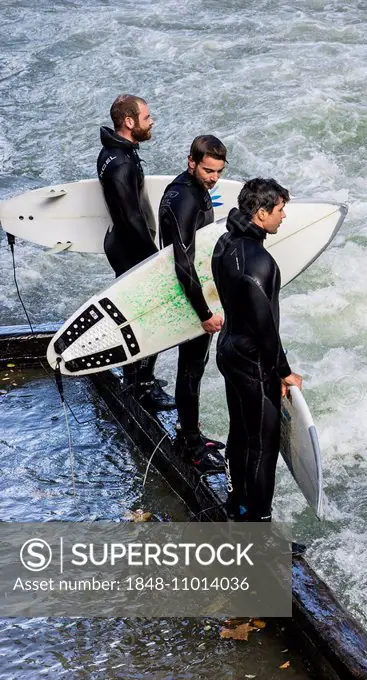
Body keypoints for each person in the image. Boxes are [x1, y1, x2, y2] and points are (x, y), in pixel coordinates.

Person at [212, 178, 302, 523]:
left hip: (228, 352)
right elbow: (265, 327)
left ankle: (236, 504)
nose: (283, 217)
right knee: (264, 444)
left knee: (239, 432)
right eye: (280, 210)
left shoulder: (225, 242)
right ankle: (259, 528)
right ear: (261, 213)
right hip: (253, 361)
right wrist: (283, 371)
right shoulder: (260, 261)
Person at [96, 94, 174, 411]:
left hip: (124, 245)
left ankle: (140, 378)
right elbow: (130, 217)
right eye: (146, 116)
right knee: (146, 318)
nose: (151, 120)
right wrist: (154, 258)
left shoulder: (114, 153)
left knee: (137, 315)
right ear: (129, 122)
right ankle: (140, 386)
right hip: (132, 250)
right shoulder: (121, 164)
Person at [158, 135, 229, 472]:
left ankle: (190, 431)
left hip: (196, 287)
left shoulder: (194, 187)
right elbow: (182, 262)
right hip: (188, 293)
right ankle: (189, 444)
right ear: (191, 161)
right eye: (208, 169)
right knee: (190, 369)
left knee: (195, 368)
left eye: (218, 171)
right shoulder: (183, 198)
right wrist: (203, 313)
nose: (213, 177)